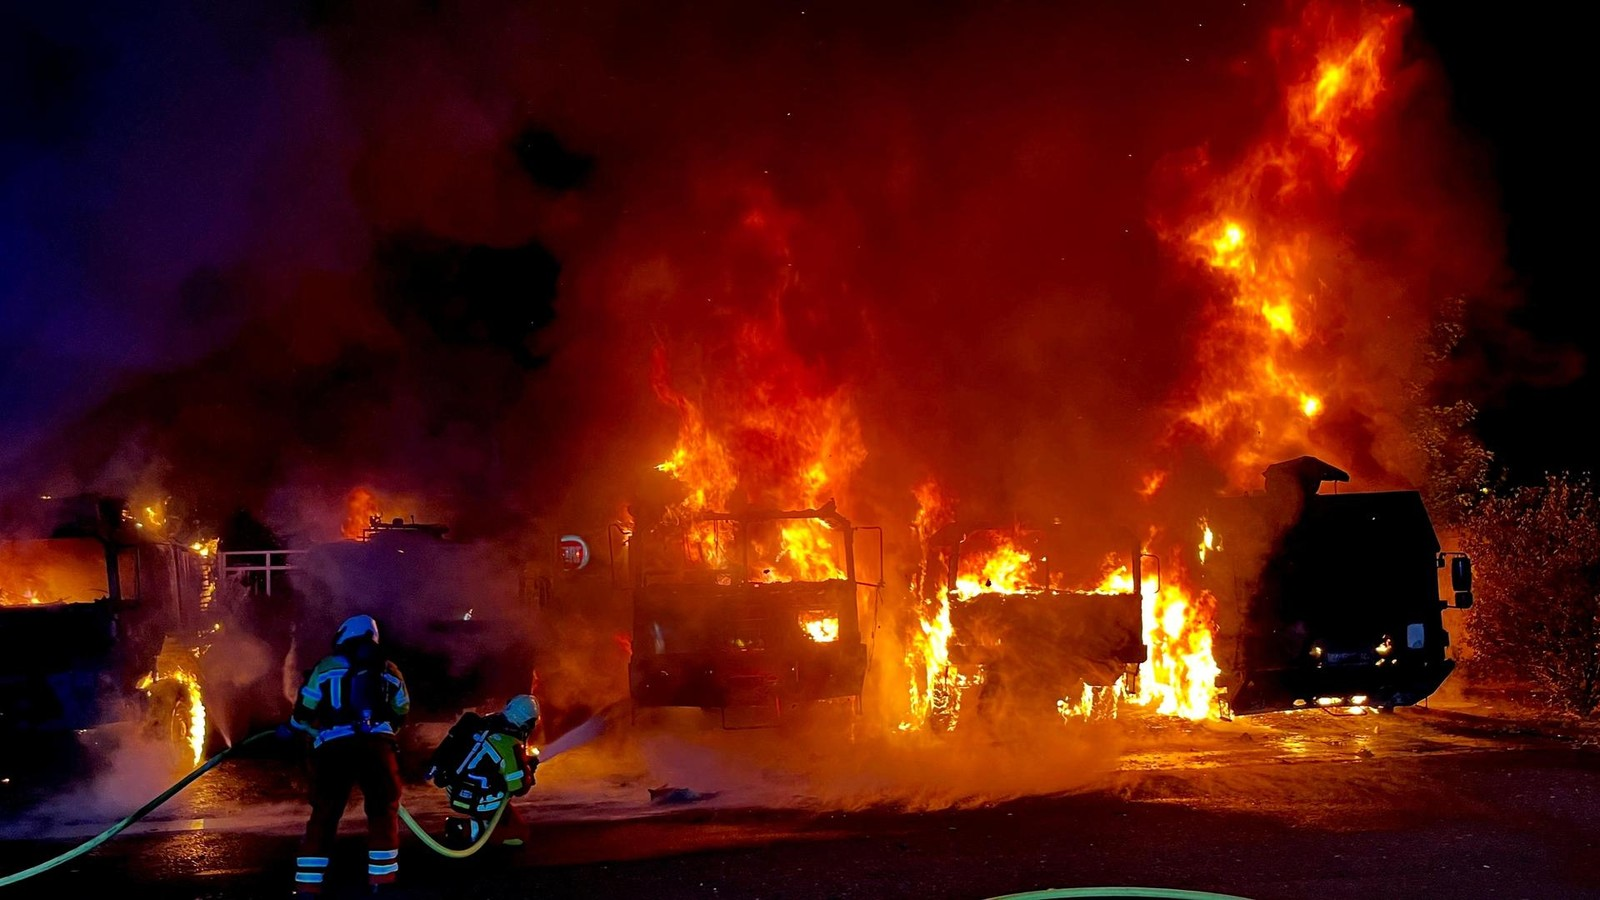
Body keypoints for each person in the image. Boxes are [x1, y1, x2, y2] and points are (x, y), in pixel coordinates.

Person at [281, 614, 411, 896]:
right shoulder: (389, 669)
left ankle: (308, 885)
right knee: (383, 811)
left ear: (344, 634)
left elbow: (306, 706)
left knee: (325, 813)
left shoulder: (327, 666)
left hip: (335, 748)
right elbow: (402, 709)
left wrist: (293, 727)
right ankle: (382, 883)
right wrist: (385, 733)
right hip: (378, 748)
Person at [425, 694, 540, 848]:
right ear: (527, 723)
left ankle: (476, 825)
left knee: (512, 822)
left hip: (455, 789)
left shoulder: (486, 722)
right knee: (519, 835)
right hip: (477, 800)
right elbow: (518, 787)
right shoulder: (509, 743)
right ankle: (467, 829)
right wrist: (529, 770)